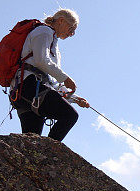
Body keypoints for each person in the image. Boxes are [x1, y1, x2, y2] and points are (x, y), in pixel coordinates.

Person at [9, 9, 89, 142]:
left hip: (23, 90)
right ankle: (50, 152)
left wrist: (74, 99)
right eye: (71, 28)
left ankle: (39, 156)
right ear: (61, 21)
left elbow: (50, 82)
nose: (72, 33)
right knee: (69, 116)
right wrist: (65, 78)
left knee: (32, 140)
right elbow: (41, 60)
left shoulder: (51, 40)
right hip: (30, 86)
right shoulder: (44, 32)